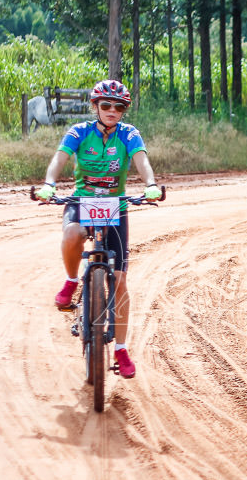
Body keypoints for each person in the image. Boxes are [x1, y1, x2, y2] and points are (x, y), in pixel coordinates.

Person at [35, 80, 161, 379]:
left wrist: (151, 185)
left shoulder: (129, 134)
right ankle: (70, 281)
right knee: (72, 234)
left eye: (119, 107)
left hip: (116, 206)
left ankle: (120, 348)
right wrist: (49, 183)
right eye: (106, 105)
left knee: (119, 281)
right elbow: (60, 158)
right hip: (82, 200)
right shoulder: (80, 132)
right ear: (96, 107)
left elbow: (142, 161)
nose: (112, 111)